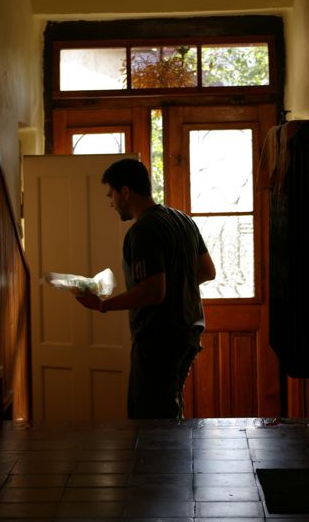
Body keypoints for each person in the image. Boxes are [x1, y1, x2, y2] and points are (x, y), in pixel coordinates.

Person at [75, 158, 216, 419]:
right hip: (189, 332)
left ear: (125, 192)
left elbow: (153, 292)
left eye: (111, 194)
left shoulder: (143, 230)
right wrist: (175, 285)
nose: (111, 202)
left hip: (158, 339)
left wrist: (102, 304)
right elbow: (208, 271)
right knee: (171, 409)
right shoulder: (184, 221)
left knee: (150, 421)